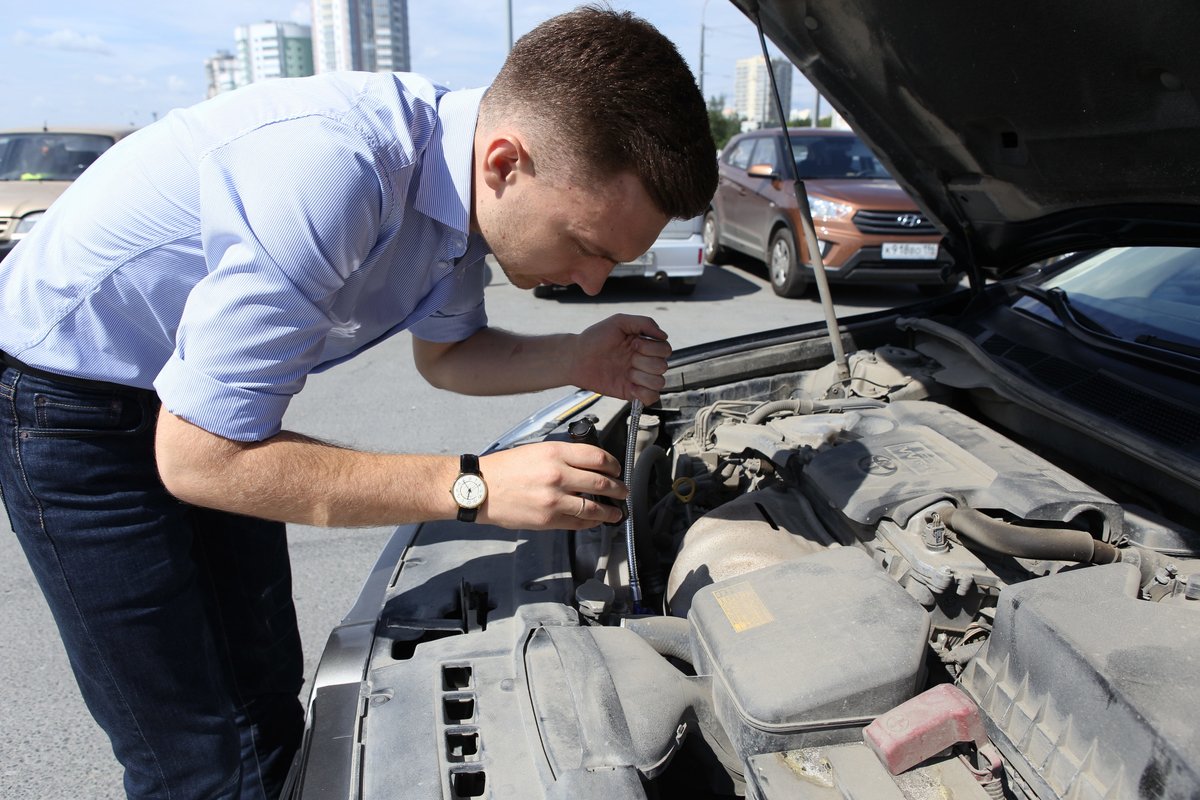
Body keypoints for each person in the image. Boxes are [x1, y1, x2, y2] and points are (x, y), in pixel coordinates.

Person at [0, 6, 717, 799]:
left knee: (266, 701)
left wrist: (580, 358)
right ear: (506, 163)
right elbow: (199, 457)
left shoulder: (463, 201)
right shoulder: (337, 169)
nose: (590, 283)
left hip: (198, 408)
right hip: (70, 406)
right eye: (587, 246)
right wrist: (475, 486)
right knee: (198, 756)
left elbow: (446, 357)